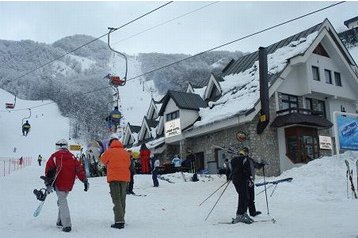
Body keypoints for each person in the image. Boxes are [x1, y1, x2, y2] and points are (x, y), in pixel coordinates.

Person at [44, 139, 89, 232]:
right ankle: (60, 221)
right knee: (62, 200)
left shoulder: (54, 156)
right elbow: (79, 169)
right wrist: (84, 180)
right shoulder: (72, 157)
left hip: (59, 183)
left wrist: (48, 182)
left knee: (62, 202)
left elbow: (48, 169)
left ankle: (67, 224)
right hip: (69, 184)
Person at [100, 136, 130, 229]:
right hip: (125, 178)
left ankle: (119, 221)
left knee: (116, 199)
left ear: (110, 144)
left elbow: (102, 161)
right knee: (122, 199)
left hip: (114, 178)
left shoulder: (109, 151)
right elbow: (129, 163)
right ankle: (121, 218)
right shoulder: (125, 152)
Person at [230, 147, 264, 224]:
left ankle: (249, 212)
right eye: (245, 152)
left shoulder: (249, 160)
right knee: (244, 197)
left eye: (247, 152)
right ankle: (240, 214)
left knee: (249, 197)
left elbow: (256, 166)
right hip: (244, 180)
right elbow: (241, 170)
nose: (247, 153)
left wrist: (262, 164)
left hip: (246, 180)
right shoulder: (242, 159)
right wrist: (249, 178)